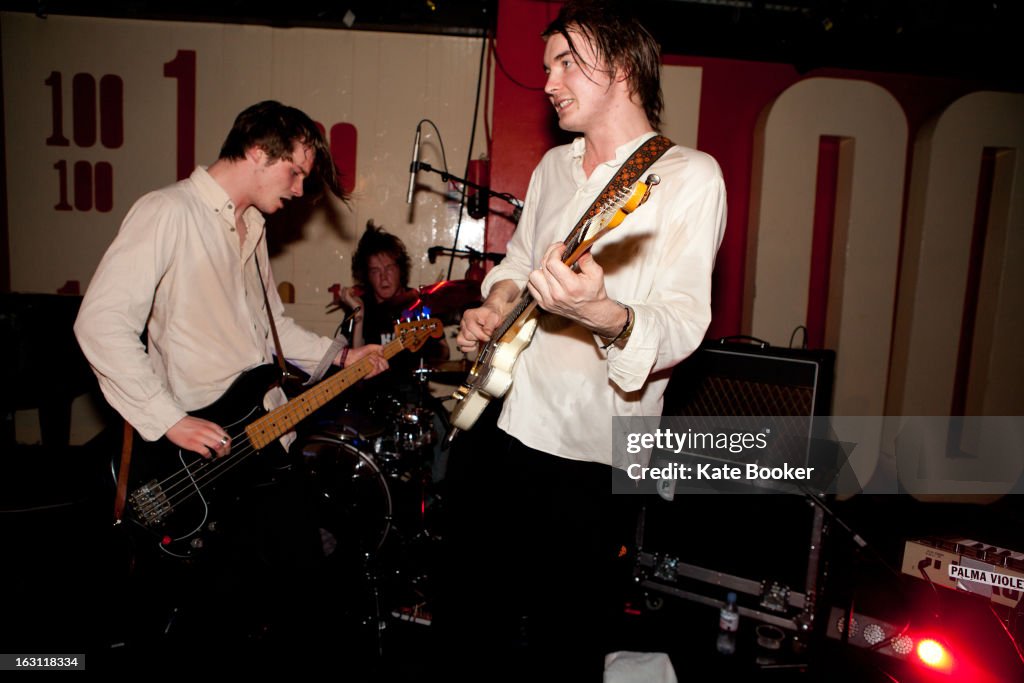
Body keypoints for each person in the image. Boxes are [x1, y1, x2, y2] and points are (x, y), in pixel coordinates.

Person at [443, 1, 727, 679]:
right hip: (499, 419)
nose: (549, 80)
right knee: (465, 623)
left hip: (586, 449)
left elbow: (684, 321)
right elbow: (516, 265)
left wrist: (604, 311)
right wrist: (497, 303)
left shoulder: (689, 176)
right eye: (547, 66)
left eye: (567, 61)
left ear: (624, 65)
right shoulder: (552, 169)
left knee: (562, 643)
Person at [73, 100, 388, 663]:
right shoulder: (168, 212)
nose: (298, 189)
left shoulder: (253, 227)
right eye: (293, 171)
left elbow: (272, 330)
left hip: (265, 442)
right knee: (217, 619)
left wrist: (342, 357)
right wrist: (168, 418)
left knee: (302, 602)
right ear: (257, 153)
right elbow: (99, 322)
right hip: (206, 461)